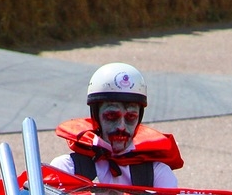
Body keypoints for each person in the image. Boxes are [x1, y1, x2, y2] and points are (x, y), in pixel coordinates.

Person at [50, 62, 184, 188]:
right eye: (111, 116)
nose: (121, 126)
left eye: (131, 117)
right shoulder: (67, 168)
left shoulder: (157, 173)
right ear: (96, 117)